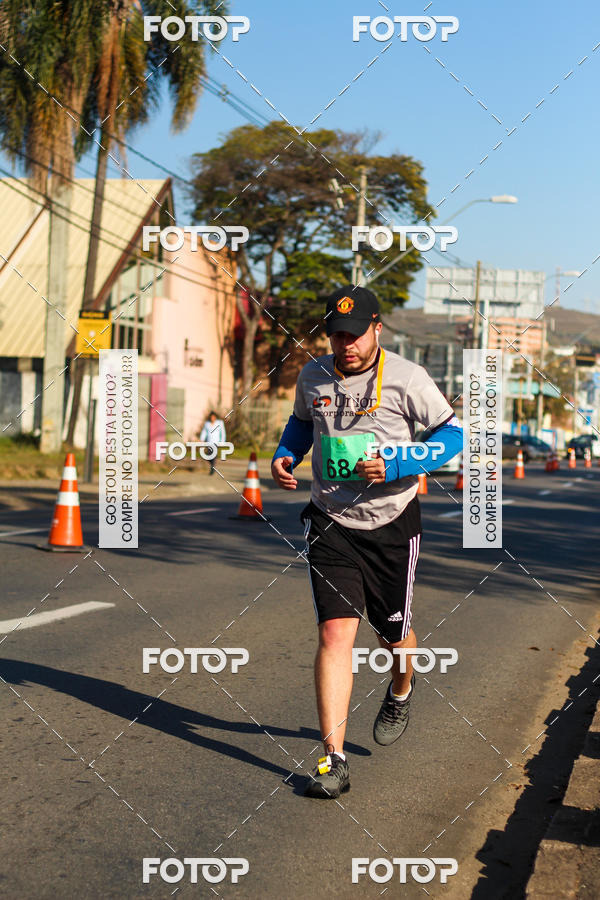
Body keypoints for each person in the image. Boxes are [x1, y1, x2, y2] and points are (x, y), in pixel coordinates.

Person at [271, 285, 462, 799]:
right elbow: (301, 424)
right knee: (335, 636)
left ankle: (402, 686)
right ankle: (333, 760)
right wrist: (286, 453)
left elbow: (452, 437)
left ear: (378, 328)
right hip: (331, 519)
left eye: (354, 335)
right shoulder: (314, 375)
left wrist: (400, 463)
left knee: (392, 637)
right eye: (336, 335)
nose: (345, 344)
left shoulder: (407, 379)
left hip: (391, 523)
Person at [199, 410, 226, 475]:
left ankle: (212, 468)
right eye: (211, 417)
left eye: (214, 417)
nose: (212, 418)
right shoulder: (207, 424)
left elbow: (222, 432)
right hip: (209, 442)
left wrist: (222, 441)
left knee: (213, 455)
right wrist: (201, 439)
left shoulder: (220, 423)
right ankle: (212, 466)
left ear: (215, 417)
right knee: (207, 455)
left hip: (216, 442)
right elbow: (204, 432)